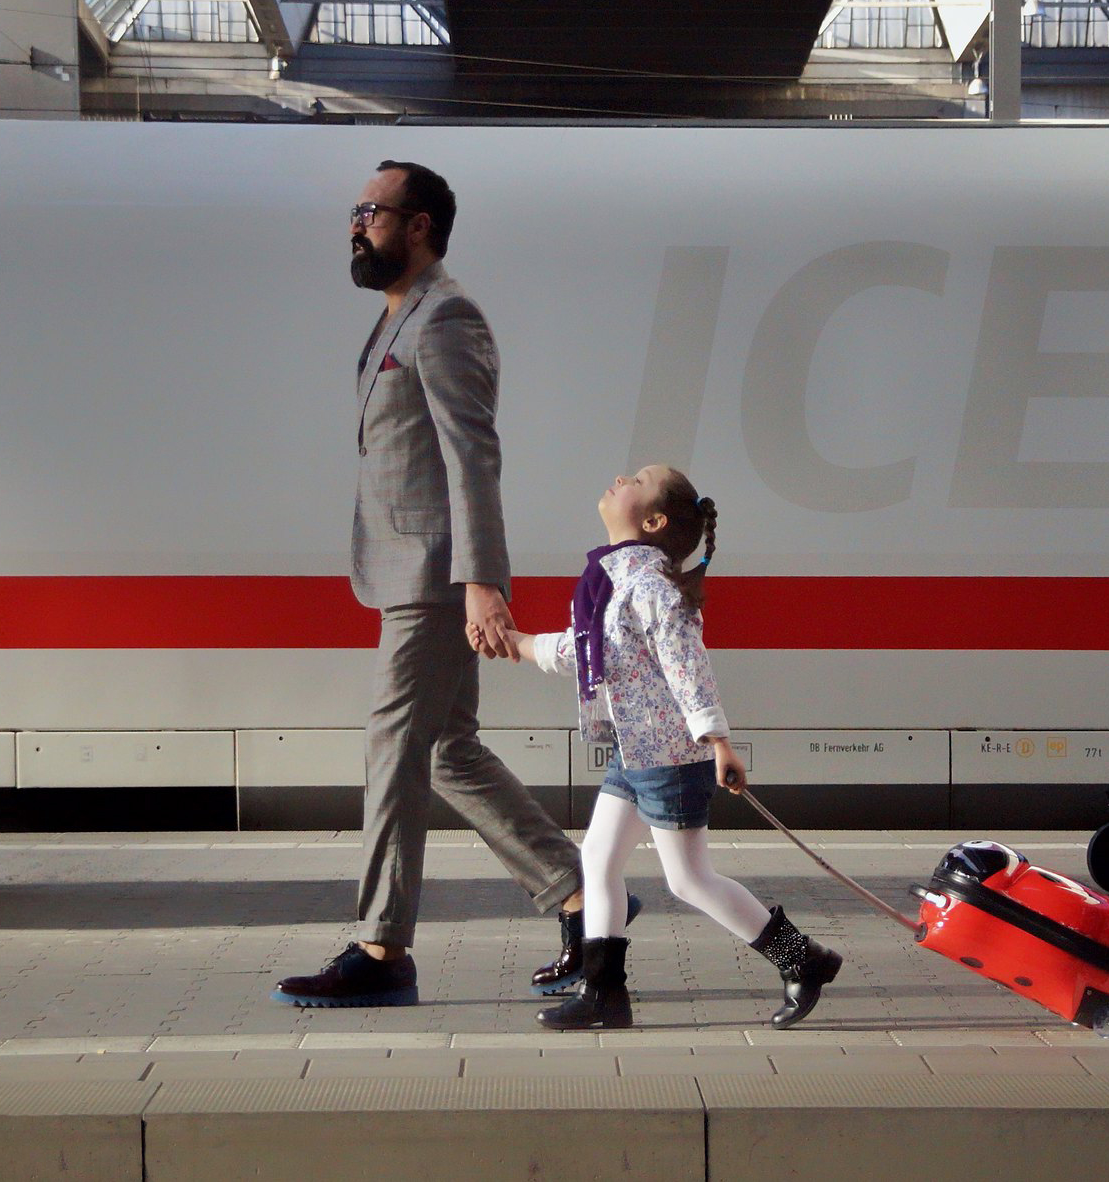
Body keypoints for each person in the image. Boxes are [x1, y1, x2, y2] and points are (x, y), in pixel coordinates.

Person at [273, 160, 611, 1008]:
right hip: (405, 569)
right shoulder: (398, 319)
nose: (355, 225)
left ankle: (382, 949)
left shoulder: (446, 316)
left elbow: (472, 456)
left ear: (419, 225)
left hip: (431, 575)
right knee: (446, 750)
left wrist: (481, 582)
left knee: (394, 746)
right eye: (354, 211)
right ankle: (582, 894)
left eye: (371, 212)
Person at [491, 465, 843, 1030]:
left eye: (634, 479)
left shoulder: (650, 588)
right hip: (638, 754)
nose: (617, 478)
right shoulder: (614, 582)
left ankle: (805, 960)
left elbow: (688, 669)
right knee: (598, 861)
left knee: (689, 879)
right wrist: (521, 644)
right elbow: (588, 653)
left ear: (651, 520)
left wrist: (718, 742)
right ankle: (604, 994)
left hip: (674, 758)